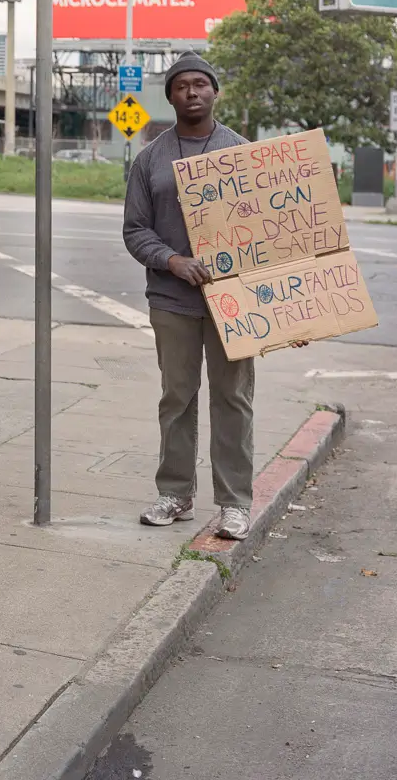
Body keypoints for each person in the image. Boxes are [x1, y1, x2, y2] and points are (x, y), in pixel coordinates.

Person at [122, 52, 260, 540]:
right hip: (172, 301)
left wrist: (287, 315)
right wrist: (172, 261)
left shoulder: (242, 154)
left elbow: (271, 236)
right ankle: (176, 494)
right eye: (182, 86)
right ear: (171, 96)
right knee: (176, 398)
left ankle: (235, 504)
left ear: (215, 91)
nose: (193, 92)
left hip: (233, 305)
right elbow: (135, 231)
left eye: (201, 84)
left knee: (233, 399)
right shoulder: (150, 159)